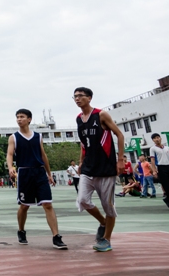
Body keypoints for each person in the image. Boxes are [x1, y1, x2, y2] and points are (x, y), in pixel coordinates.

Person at [6, 109, 67, 250]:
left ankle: (56, 237)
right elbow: (9, 154)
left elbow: (43, 155)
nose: (19, 119)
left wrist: (49, 174)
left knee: (47, 204)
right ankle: (21, 230)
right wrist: (10, 167)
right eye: (17, 117)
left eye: (22, 117)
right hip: (24, 172)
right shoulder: (13, 137)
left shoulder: (38, 136)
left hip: (39, 172)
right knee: (24, 206)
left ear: (29, 119)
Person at [74, 87, 125, 252]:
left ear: (89, 98)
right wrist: (81, 162)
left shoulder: (101, 115)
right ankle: (103, 222)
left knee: (108, 206)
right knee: (82, 200)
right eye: (75, 97)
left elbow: (120, 135)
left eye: (80, 96)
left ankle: (106, 239)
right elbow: (83, 143)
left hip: (105, 168)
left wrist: (120, 160)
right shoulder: (79, 119)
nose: (77, 99)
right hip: (88, 167)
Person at [150, 133, 169, 211]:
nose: (157, 139)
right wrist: (154, 171)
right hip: (161, 168)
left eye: (158, 137)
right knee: (166, 187)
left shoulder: (167, 148)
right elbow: (152, 160)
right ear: (153, 140)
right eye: (155, 138)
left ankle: (168, 199)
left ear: (160, 138)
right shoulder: (153, 149)